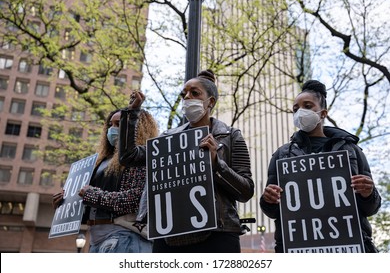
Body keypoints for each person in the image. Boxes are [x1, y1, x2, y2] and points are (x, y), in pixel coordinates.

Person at [119, 69, 254, 253]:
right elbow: (129, 156)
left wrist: (217, 164)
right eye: (184, 94)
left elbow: (246, 190)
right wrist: (131, 114)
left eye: (195, 93)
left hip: (218, 236)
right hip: (170, 237)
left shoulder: (230, 136)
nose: (187, 97)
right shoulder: (167, 140)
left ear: (210, 102)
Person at [259, 80, 382, 253]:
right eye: (296, 109)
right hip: (300, 249)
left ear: (323, 113)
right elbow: (272, 211)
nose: (300, 112)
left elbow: (372, 208)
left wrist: (368, 193)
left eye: (307, 106)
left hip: (348, 247)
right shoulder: (282, 155)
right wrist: (268, 199)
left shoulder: (351, 151)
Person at [52, 103, 159, 253]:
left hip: (124, 237)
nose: (112, 129)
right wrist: (65, 204)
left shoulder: (141, 158)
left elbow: (136, 200)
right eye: (110, 125)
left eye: (118, 124)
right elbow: (92, 208)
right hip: (96, 241)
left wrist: (92, 195)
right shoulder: (99, 162)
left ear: (137, 127)